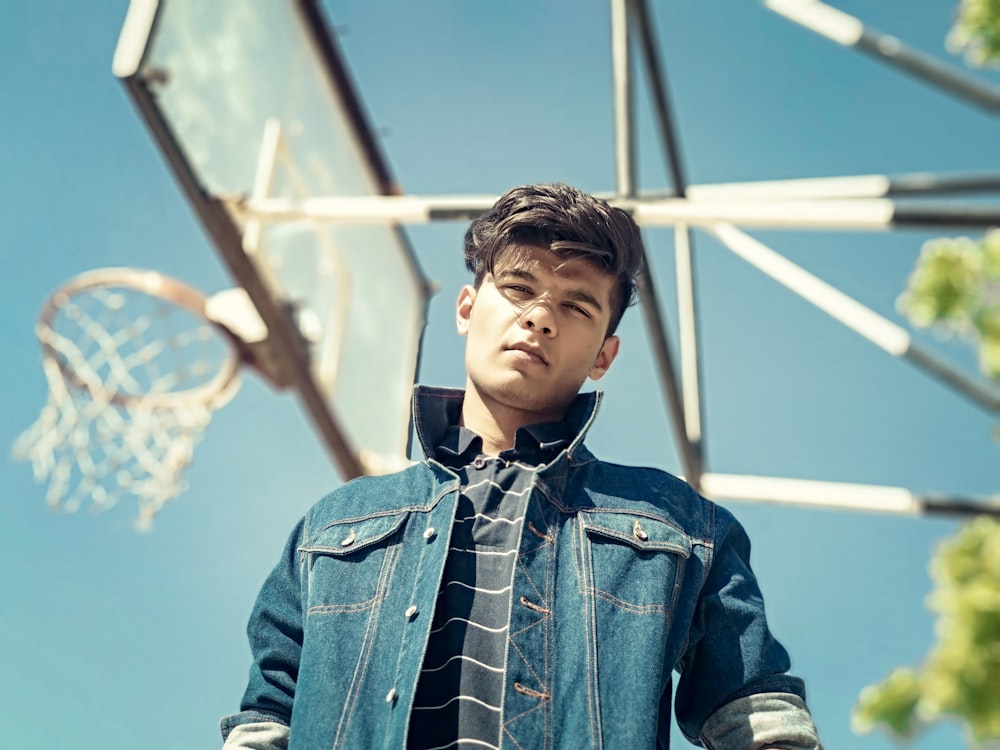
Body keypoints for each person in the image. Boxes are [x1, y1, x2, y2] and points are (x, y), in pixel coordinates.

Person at [220, 183, 823, 749]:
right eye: (517, 288)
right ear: (465, 307)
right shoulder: (335, 523)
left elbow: (760, 718)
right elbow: (267, 720)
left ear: (603, 357)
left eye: (577, 306)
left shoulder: (682, 524)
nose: (540, 316)